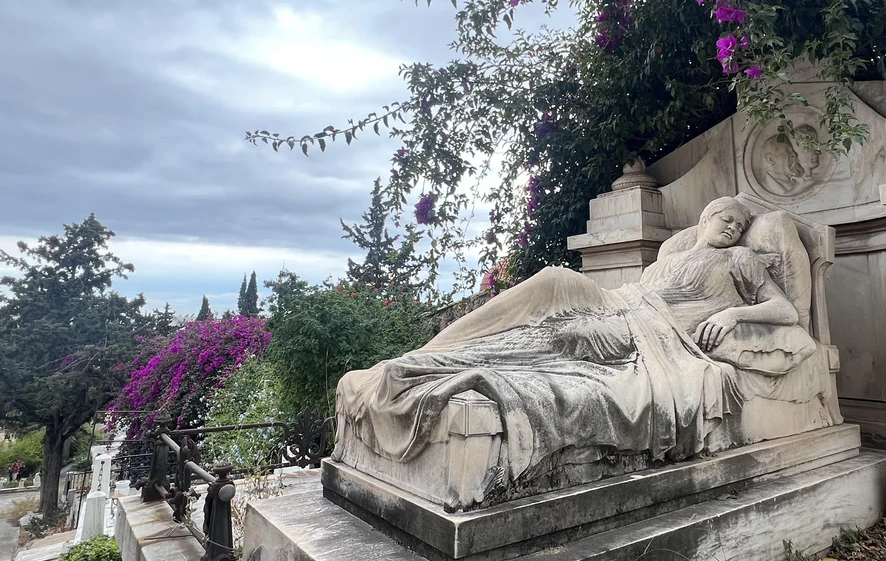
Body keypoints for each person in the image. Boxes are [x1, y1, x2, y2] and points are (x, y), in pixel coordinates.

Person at [334, 197, 819, 483]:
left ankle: (442, 367)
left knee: (556, 337)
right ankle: (431, 354)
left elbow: (788, 311)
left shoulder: (740, 260)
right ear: (706, 218)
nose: (732, 228)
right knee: (552, 281)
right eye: (725, 218)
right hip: (622, 302)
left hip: (653, 332)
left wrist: (735, 313)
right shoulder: (671, 257)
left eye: (739, 226)